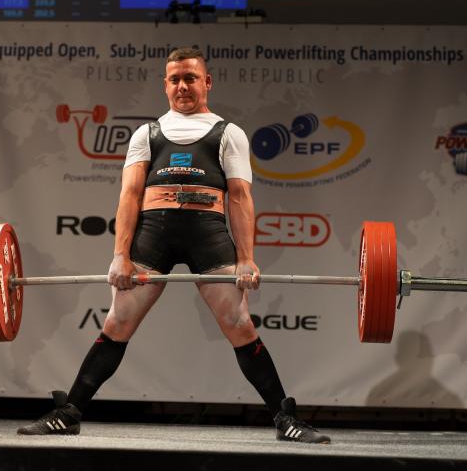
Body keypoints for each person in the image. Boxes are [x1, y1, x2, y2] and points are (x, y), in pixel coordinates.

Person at [18, 47, 329, 444]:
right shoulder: (146, 135)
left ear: (206, 82)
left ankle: (285, 419)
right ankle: (69, 413)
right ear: (165, 85)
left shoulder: (228, 133)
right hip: (154, 235)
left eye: (191, 78)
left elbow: (239, 197)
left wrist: (247, 259)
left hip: (208, 235)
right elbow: (130, 196)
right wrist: (120, 255)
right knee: (117, 322)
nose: (183, 86)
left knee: (239, 325)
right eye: (176, 79)